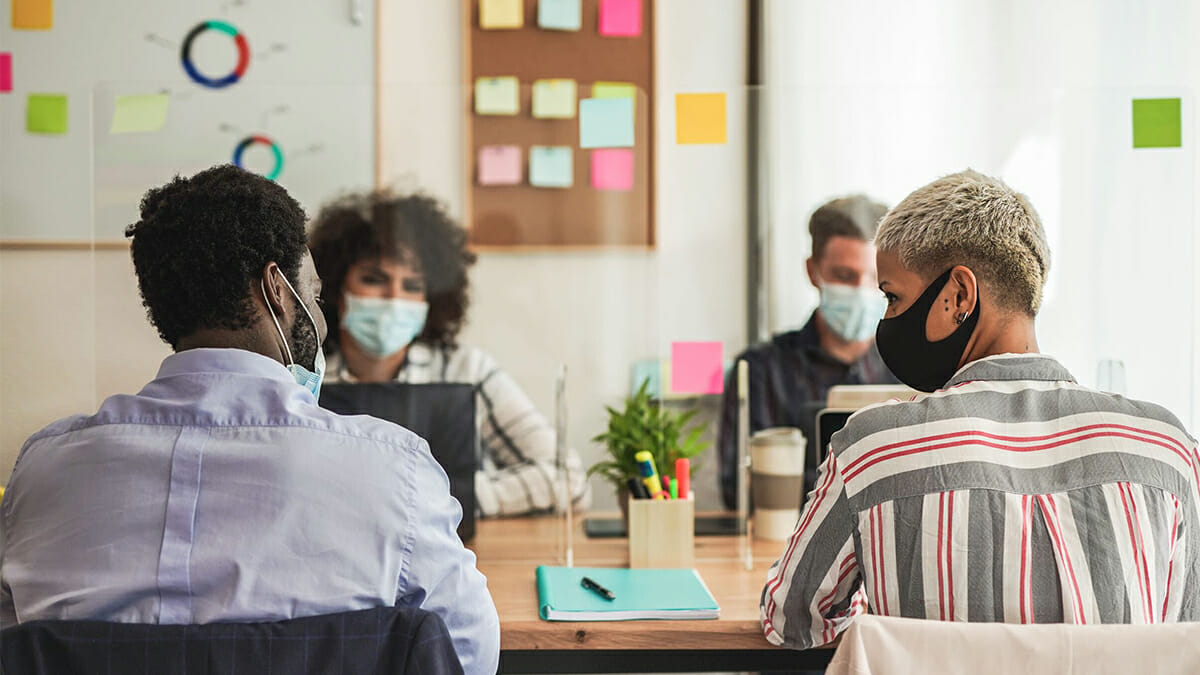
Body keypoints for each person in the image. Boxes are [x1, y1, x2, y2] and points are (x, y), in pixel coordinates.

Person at [0, 166, 499, 675]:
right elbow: (467, 655)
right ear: (278, 290)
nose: (320, 316)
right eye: (316, 295)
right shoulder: (396, 472)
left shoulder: (43, 471)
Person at [761, 170, 1200, 649]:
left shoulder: (872, 451)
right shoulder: (1168, 450)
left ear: (959, 296)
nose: (885, 319)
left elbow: (793, 622)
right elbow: (1184, 634)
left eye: (892, 296)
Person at [308, 191, 590, 518]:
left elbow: (569, 479)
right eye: (374, 280)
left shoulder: (467, 370)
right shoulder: (302, 378)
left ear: (433, 300)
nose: (393, 298)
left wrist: (446, 498)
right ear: (333, 287)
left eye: (412, 286)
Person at [718, 195, 897, 510]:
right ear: (813, 271)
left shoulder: (909, 368)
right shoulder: (762, 370)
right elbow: (738, 490)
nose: (861, 290)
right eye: (844, 275)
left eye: (873, 277)